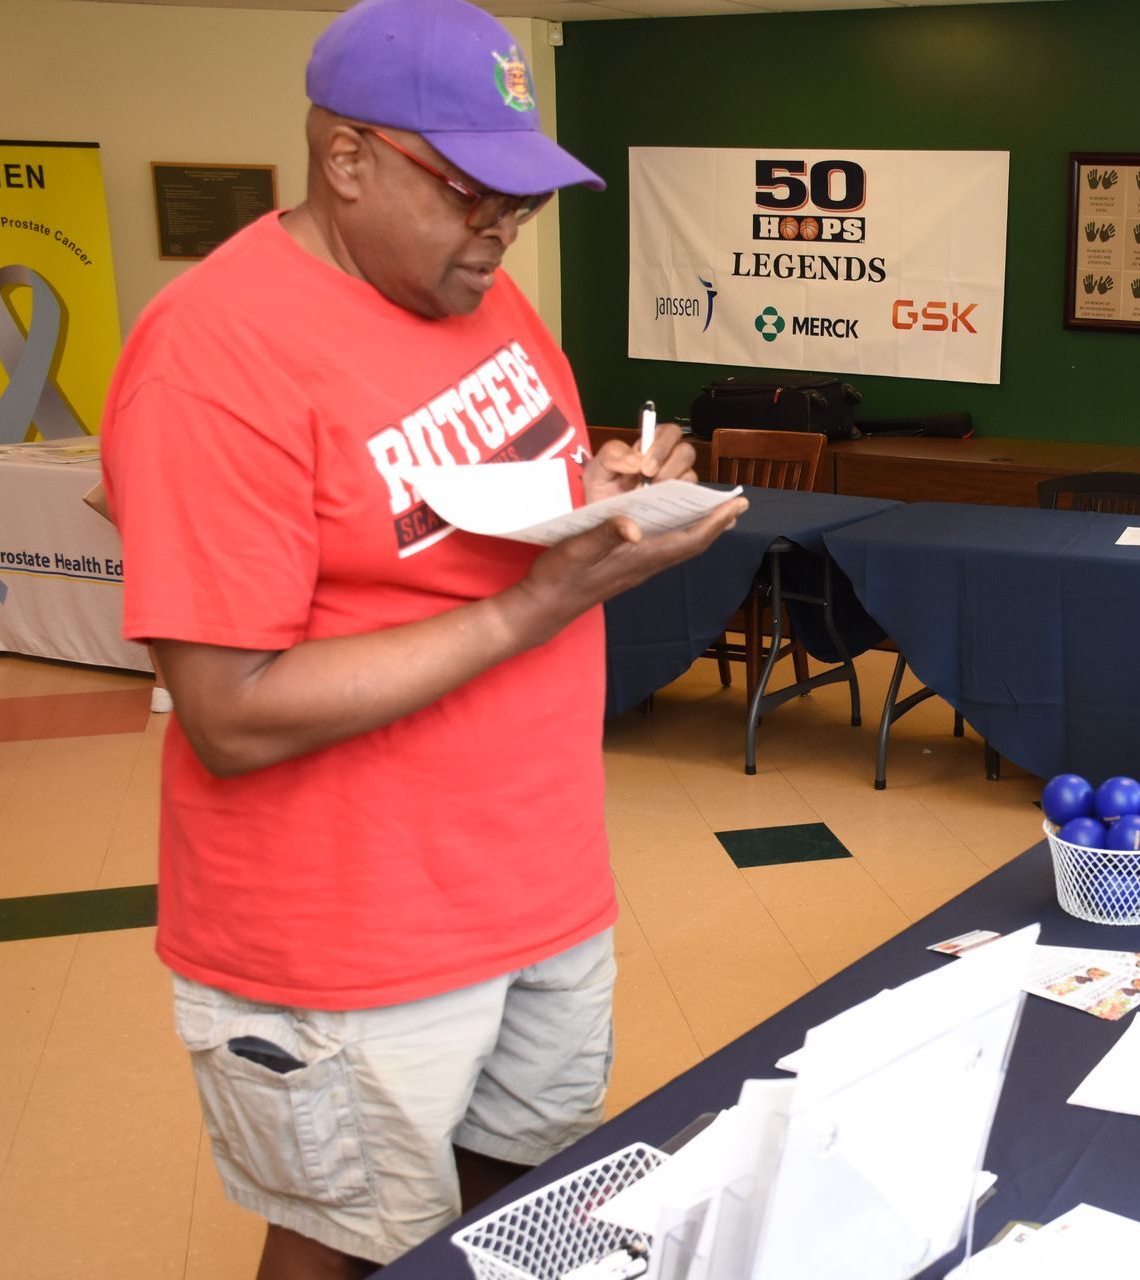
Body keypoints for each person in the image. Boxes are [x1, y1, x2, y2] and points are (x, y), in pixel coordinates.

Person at [99, 1, 746, 1275]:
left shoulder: (485, 301)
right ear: (345, 158)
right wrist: (534, 604)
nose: (500, 229)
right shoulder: (214, 356)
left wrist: (602, 502)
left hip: (536, 875)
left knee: (523, 1198)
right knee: (354, 1236)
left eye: (525, 201)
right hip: (350, 920)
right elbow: (229, 711)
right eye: (469, 194)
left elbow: (499, 517)